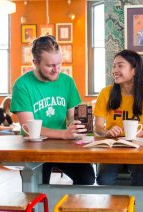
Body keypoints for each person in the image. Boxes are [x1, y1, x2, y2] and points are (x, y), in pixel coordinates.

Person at [11, 35, 95, 185]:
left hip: (62, 146)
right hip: (34, 147)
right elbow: (30, 129)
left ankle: (68, 208)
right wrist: (64, 133)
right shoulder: (22, 85)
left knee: (87, 177)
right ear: (35, 62)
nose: (56, 70)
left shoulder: (67, 81)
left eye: (59, 64)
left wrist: (77, 126)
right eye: (50, 66)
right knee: (37, 187)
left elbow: (71, 117)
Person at [94, 49, 143, 186]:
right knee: (104, 179)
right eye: (114, 66)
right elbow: (97, 127)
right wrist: (106, 132)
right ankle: (112, 207)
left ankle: (136, 206)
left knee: (142, 178)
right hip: (113, 146)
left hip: (138, 147)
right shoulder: (105, 93)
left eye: (120, 65)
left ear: (134, 70)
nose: (115, 70)